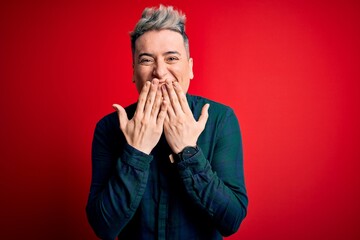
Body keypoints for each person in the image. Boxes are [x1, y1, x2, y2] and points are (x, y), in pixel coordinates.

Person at [86, 5, 248, 240]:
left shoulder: (221, 120)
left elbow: (231, 220)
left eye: (172, 58)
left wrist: (188, 152)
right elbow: (104, 227)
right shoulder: (108, 129)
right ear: (133, 71)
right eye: (146, 60)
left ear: (190, 68)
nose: (160, 72)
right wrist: (136, 152)